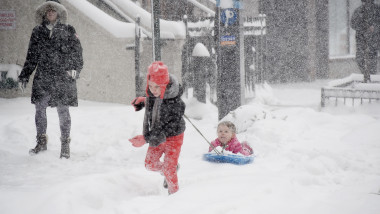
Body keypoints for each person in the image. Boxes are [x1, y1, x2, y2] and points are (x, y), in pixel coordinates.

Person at [18, 0, 83, 159]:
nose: (51, 13)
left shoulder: (68, 30)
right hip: (43, 77)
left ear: (59, 12)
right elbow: (32, 56)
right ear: (44, 13)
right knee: (40, 109)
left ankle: (65, 144)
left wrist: (75, 69)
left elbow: (77, 52)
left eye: (54, 10)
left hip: (62, 77)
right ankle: (41, 141)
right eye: (48, 11)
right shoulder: (37, 31)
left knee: (63, 111)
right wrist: (25, 75)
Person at [129, 61, 186, 195]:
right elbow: (156, 102)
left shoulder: (175, 104)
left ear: (165, 85)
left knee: (169, 169)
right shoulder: (154, 94)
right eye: (151, 86)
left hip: (173, 138)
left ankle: (175, 197)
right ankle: (170, 169)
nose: (153, 90)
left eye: (157, 87)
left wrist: (145, 138)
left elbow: (165, 128)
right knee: (150, 164)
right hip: (157, 136)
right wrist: (144, 101)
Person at [351, 0, 380, 82]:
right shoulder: (359, 10)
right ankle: (367, 76)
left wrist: (374, 28)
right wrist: (364, 28)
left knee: (372, 60)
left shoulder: (377, 10)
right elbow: (353, 23)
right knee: (360, 59)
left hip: (373, 40)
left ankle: (371, 77)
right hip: (362, 40)